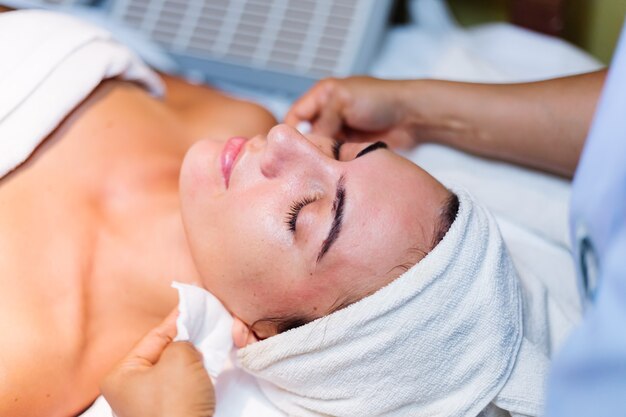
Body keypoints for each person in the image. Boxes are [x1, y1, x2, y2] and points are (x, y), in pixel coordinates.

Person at [0, 8, 460, 417]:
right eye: (342, 151)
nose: (286, 140)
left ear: (268, 339)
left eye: (302, 213)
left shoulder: (25, 366)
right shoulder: (236, 121)